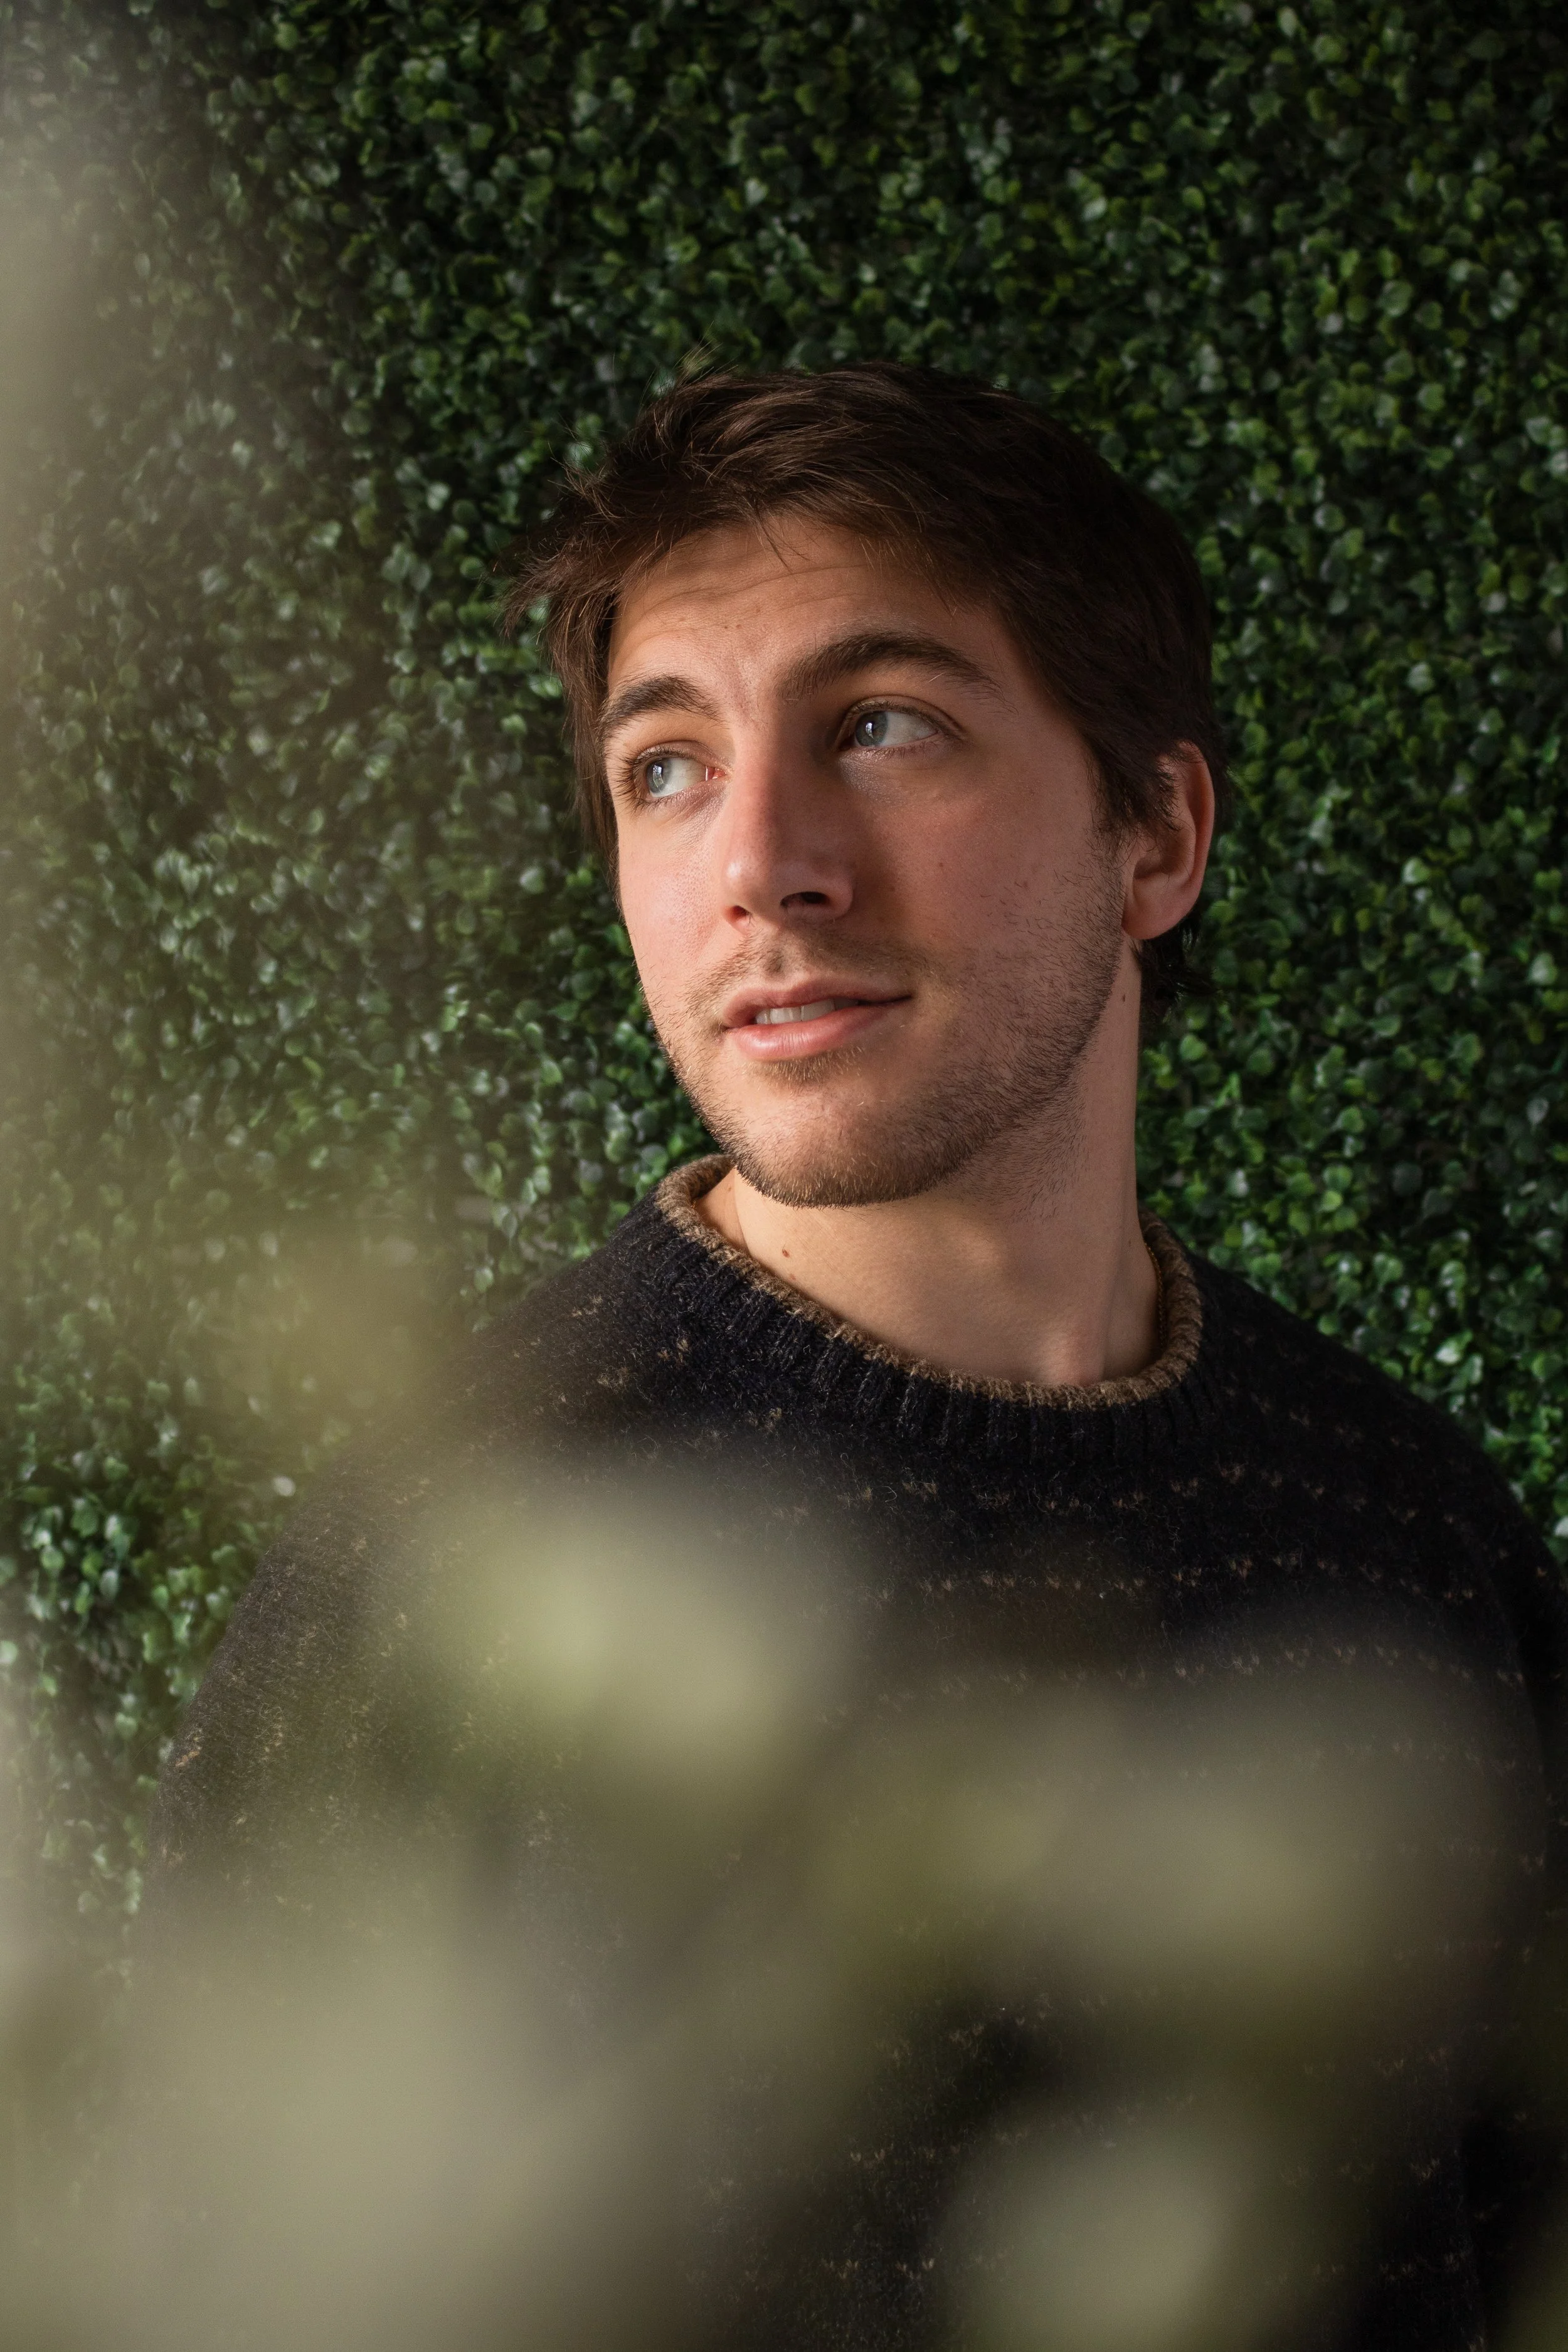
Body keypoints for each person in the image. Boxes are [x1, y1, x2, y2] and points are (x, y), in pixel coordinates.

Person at [149, 366, 1568, 2349]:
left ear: (1154, 834)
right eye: (664, 765)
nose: (761, 862)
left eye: (881, 726)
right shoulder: (445, 1581)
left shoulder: (1419, 1538)